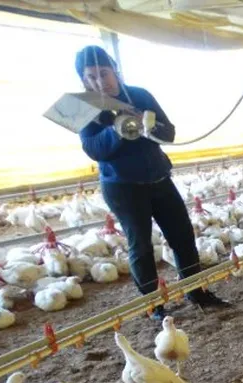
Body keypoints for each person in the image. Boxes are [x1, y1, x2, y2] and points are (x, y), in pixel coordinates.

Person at [74, 45, 229, 320]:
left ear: (115, 70)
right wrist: (117, 130)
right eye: (91, 77)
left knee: (183, 236)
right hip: (122, 187)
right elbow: (94, 149)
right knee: (141, 246)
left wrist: (150, 125)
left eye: (104, 73)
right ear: (83, 80)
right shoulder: (85, 107)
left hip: (158, 178)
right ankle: (153, 304)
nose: (100, 82)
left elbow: (169, 132)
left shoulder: (139, 96)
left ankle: (195, 291)